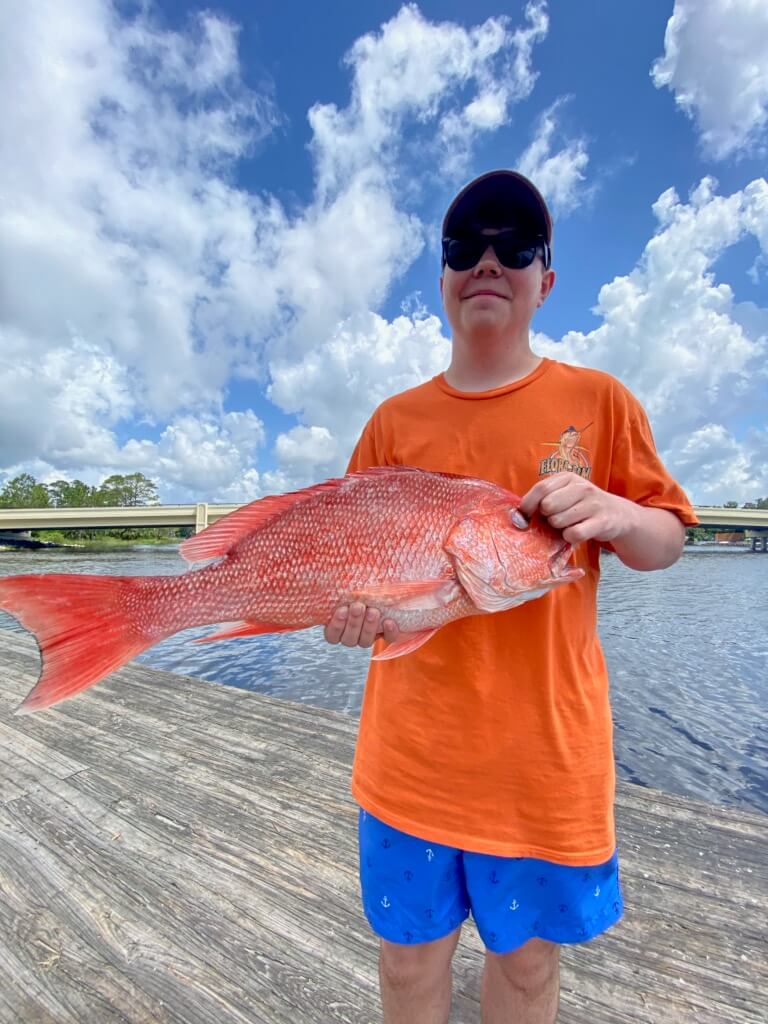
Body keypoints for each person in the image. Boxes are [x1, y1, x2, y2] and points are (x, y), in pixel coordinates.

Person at [323, 170, 697, 1024]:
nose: (488, 261)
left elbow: (668, 538)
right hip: (409, 763)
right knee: (407, 970)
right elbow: (351, 563)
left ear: (546, 280)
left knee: (527, 973)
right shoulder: (391, 420)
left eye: (515, 246)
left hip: (544, 767)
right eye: (465, 247)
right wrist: (351, 616)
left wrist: (615, 512)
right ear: (443, 276)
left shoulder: (599, 403)